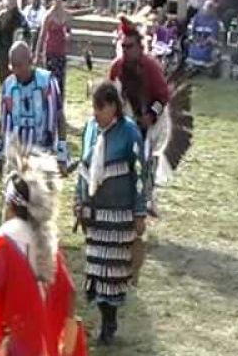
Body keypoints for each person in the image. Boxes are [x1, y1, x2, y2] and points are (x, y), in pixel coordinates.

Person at [0, 146, 88, 356]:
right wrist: (67, 340)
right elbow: (69, 292)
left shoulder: (6, 238)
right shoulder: (44, 238)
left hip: (16, 345)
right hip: (45, 346)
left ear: (10, 205)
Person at [74, 81, 147, 346]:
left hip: (120, 215)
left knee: (112, 275)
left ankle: (109, 323)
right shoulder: (91, 129)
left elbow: (141, 173)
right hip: (96, 214)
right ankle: (106, 319)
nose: (95, 113)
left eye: (100, 108)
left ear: (113, 107)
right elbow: (83, 170)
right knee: (96, 270)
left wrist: (139, 212)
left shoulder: (129, 133)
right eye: (94, 108)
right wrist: (79, 202)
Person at [0, 41, 69, 181]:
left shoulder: (47, 82)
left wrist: (62, 155)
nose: (16, 71)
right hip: (16, 158)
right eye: (13, 66)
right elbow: (2, 120)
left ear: (30, 61)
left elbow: (59, 117)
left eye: (20, 65)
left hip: (43, 156)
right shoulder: (8, 86)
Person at [108, 17, 170, 132]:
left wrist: (152, 115)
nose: (125, 50)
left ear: (140, 47)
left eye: (130, 46)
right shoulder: (116, 67)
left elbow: (163, 98)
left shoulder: (151, 67)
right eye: (123, 46)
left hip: (149, 124)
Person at [35, 0, 70, 104]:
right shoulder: (48, 15)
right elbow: (42, 35)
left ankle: (59, 108)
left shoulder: (65, 14)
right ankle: (49, 105)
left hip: (61, 52)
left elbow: (68, 29)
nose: (58, 2)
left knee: (61, 81)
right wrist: (37, 54)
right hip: (51, 51)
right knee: (50, 80)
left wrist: (68, 35)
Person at [0, 0, 30, 85]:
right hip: (2, 53)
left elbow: (27, 34)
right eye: (10, 0)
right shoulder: (1, 17)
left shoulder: (21, 18)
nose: (11, 3)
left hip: (16, 54)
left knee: (15, 80)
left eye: (13, 0)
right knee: (3, 80)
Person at [187, 0, 221, 66]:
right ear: (203, 8)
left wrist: (203, 44)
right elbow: (192, 33)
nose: (208, 10)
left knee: (210, 51)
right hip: (196, 44)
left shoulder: (215, 22)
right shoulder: (197, 18)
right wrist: (196, 42)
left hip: (207, 47)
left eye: (210, 8)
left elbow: (212, 38)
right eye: (207, 7)